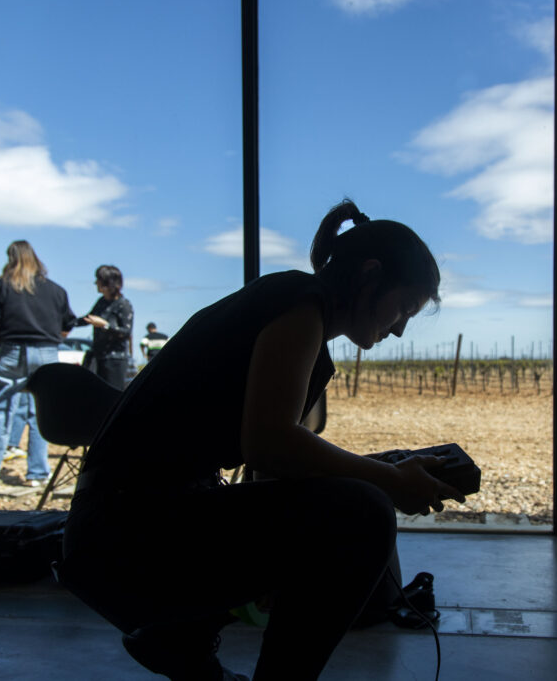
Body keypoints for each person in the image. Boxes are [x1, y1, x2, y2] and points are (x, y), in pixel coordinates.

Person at [59, 199, 464, 681]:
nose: (398, 328)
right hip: (122, 538)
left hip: (120, 529)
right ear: (370, 275)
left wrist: (384, 476)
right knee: (365, 514)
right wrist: (390, 481)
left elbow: (275, 469)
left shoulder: (300, 319)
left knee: (346, 514)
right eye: (402, 308)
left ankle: (183, 635)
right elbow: (269, 443)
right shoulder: (299, 303)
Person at [0, 241, 76, 487]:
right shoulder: (55, 290)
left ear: (10, 258)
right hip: (46, 353)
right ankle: (37, 473)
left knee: (0, 410)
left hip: (12, 351)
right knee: (39, 414)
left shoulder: (1, 286)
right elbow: (67, 324)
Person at [81, 265, 134, 390]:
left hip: (115, 361)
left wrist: (105, 325)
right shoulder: (101, 302)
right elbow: (88, 318)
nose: (95, 283)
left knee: (112, 396)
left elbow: (126, 332)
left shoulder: (123, 305)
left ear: (108, 283)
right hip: (99, 358)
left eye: (98, 280)